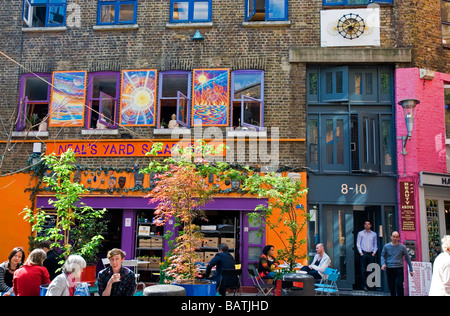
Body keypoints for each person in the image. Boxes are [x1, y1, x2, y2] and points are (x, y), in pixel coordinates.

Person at [381, 231, 413, 296]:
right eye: (394, 237)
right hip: (390, 268)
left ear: (399, 238)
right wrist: (383, 264)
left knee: (399, 285)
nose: (395, 238)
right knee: (391, 286)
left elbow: (407, 258)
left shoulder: (402, 247)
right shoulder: (386, 246)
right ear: (391, 237)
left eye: (397, 237)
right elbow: (382, 255)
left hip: (399, 268)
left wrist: (411, 269)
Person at [356, 220, 378, 291]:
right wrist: (360, 253)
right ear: (364, 225)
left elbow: (375, 244)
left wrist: (374, 252)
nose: (367, 225)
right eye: (366, 224)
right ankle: (364, 285)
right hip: (364, 253)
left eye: (368, 224)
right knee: (363, 270)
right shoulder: (360, 233)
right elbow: (358, 243)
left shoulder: (374, 234)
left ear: (370, 225)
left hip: (371, 254)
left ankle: (371, 285)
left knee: (371, 270)